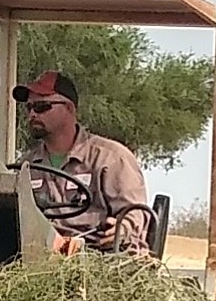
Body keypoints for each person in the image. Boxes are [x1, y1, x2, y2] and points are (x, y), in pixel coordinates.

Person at [12, 70, 150, 255]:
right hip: (43, 261)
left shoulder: (110, 158)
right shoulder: (25, 167)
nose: (32, 115)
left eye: (41, 107)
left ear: (69, 108)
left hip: (102, 259)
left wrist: (122, 228)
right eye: (28, 108)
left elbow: (135, 213)